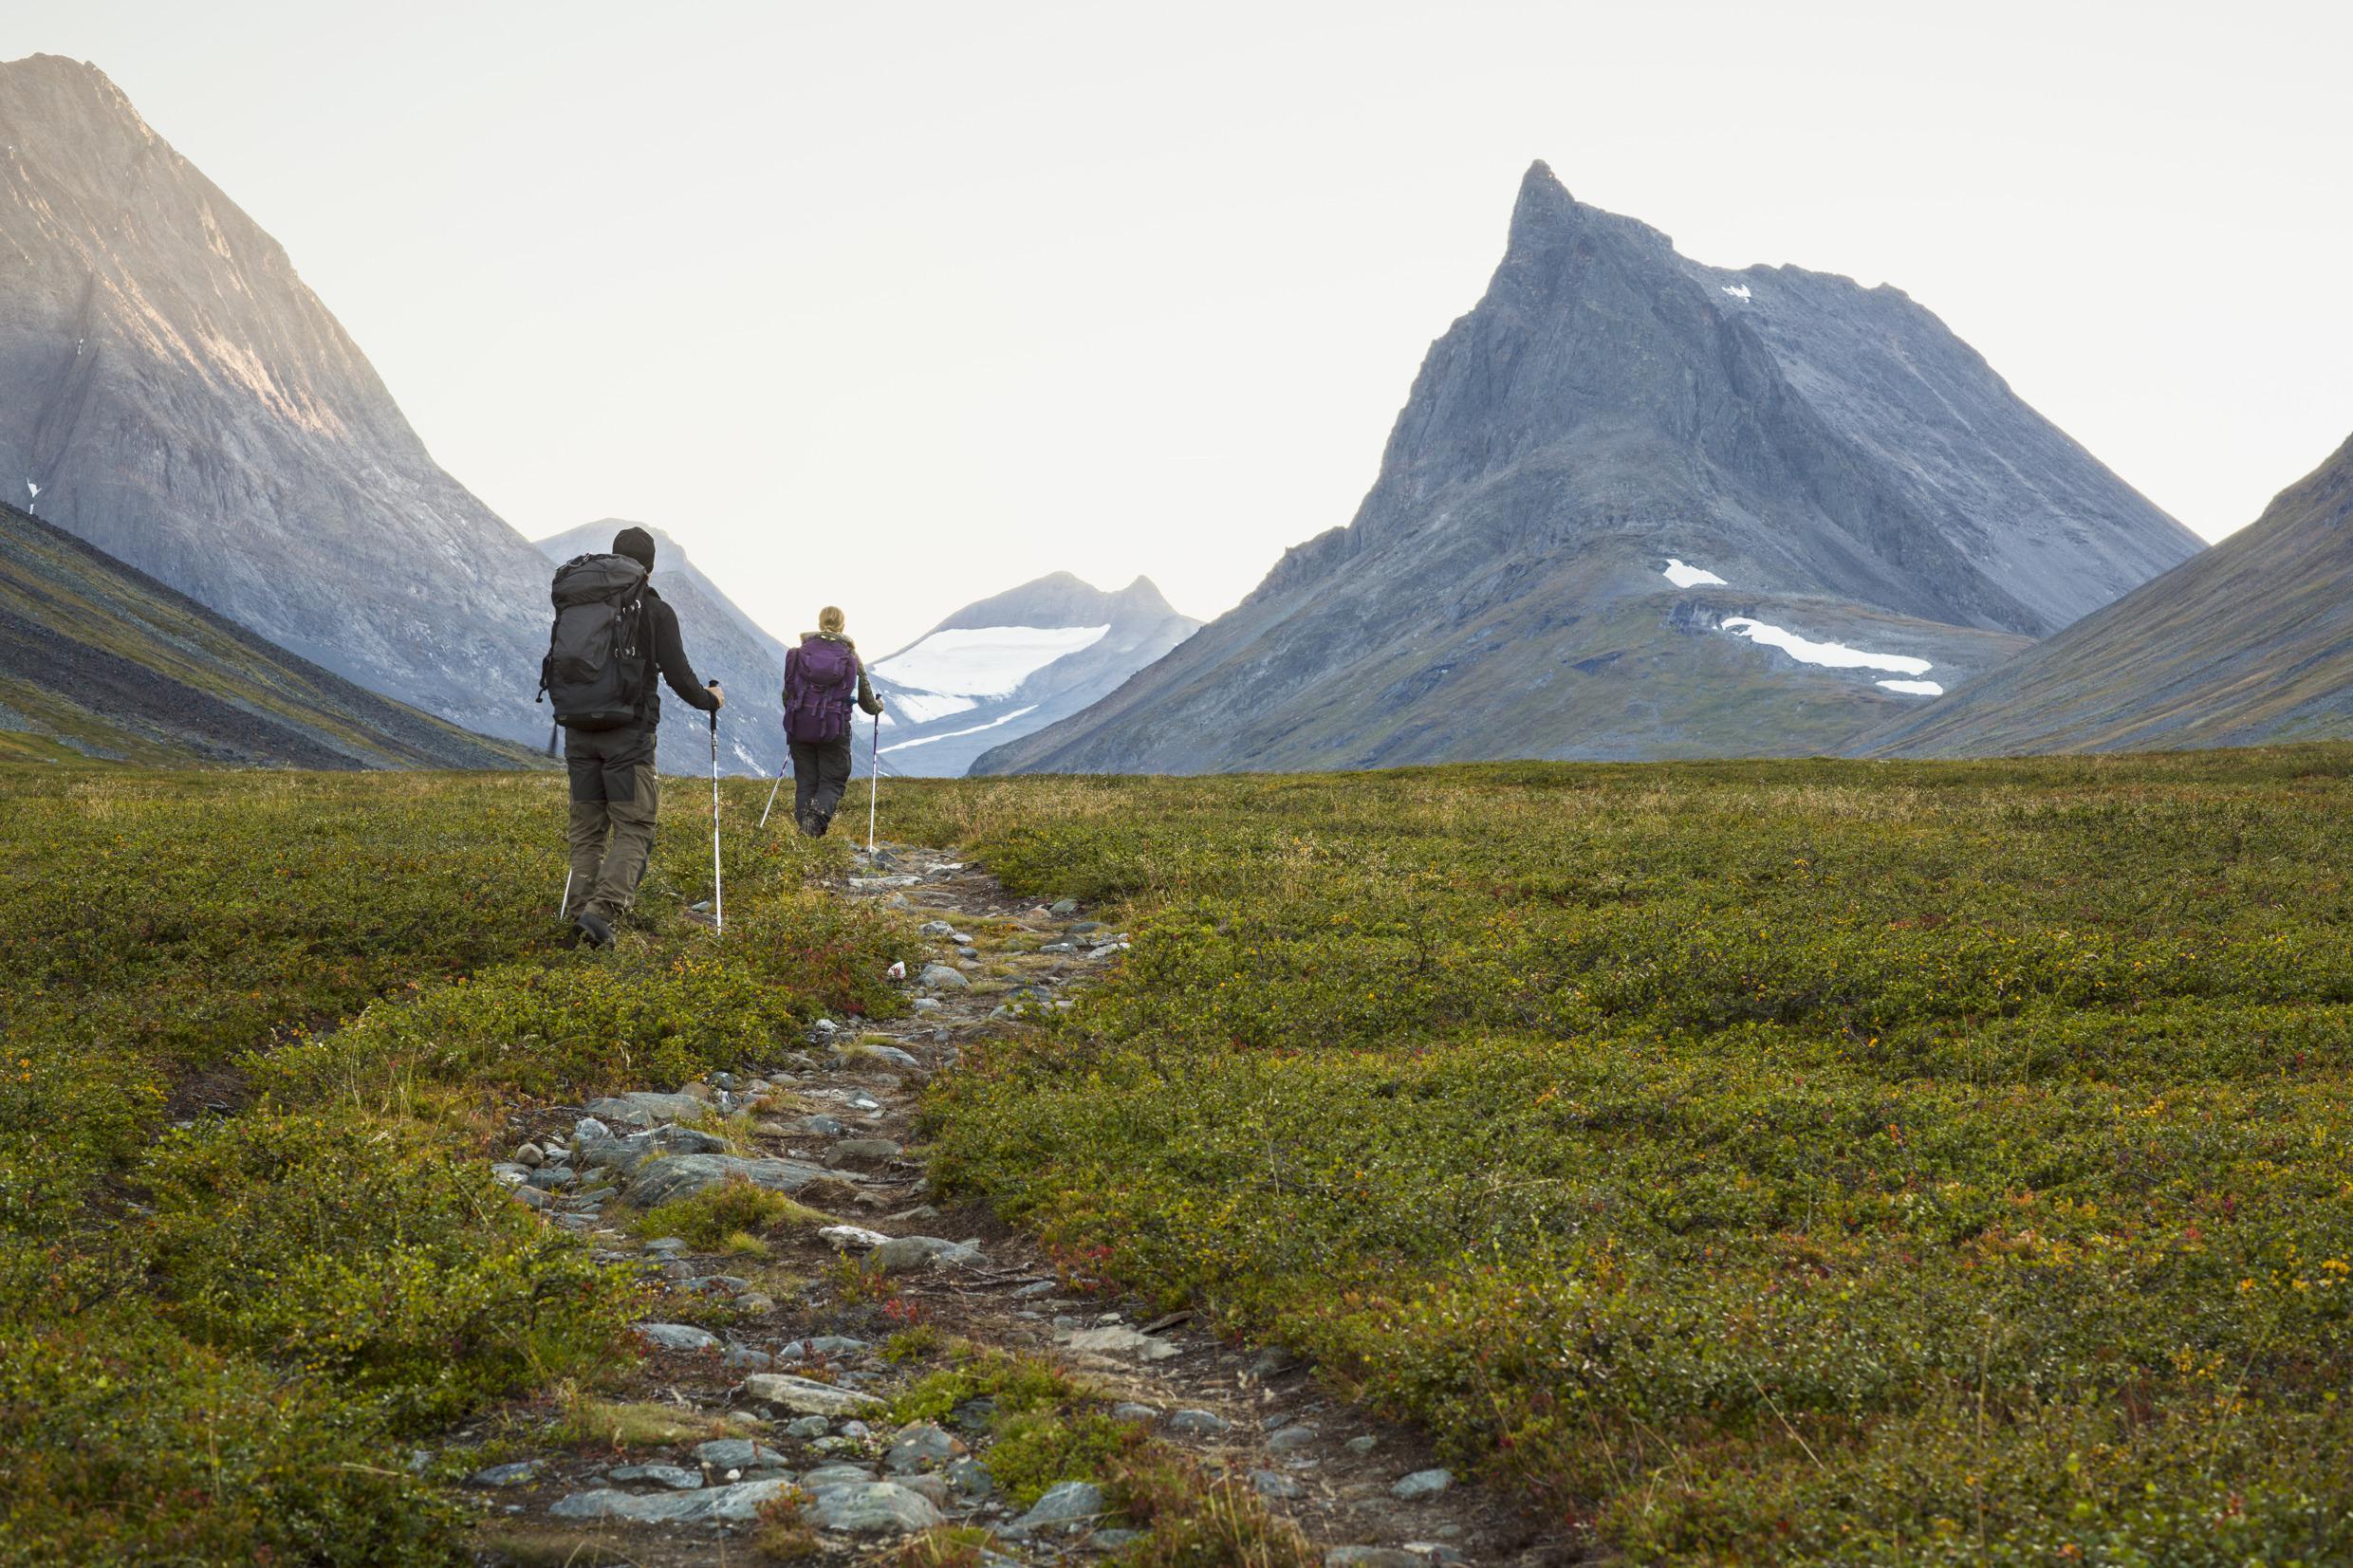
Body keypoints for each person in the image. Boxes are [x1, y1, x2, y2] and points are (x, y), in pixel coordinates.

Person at [563, 526, 722, 948]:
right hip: (627, 736)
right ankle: (601, 913)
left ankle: (578, 912)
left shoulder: (581, 603)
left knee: (587, 829)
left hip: (578, 730)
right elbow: (680, 677)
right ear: (649, 568)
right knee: (635, 825)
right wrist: (711, 700)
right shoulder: (655, 611)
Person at [782, 605, 884, 837]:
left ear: (819, 624)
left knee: (806, 781)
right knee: (833, 781)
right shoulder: (851, 658)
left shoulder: (799, 654)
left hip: (800, 726)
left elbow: (787, 695)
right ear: (843, 626)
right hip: (834, 729)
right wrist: (879, 706)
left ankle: (805, 835)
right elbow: (867, 703)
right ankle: (812, 826)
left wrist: (802, 714)